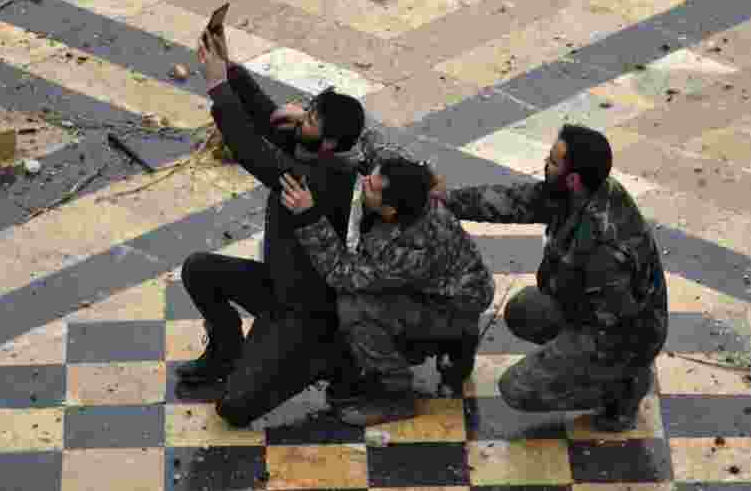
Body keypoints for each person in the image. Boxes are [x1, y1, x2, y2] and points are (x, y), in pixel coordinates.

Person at [177, 27, 368, 427]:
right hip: (277, 286)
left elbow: (249, 147)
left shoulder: (315, 177)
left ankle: (324, 358)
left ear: (330, 143)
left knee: (234, 408)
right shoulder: (315, 150)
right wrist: (230, 70)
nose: (302, 116)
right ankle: (226, 350)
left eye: (312, 117)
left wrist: (216, 85)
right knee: (199, 269)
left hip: (303, 314)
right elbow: (268, 118)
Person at [433, 124, 668, 431]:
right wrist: (448, 199)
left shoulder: (605, 248)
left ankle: (624, 387)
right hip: (589, 307)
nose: (545, 165)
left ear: (572, 179)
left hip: (623, 335)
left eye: (553, 162)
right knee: (524, 311)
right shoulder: (580, 191)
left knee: (518, 390)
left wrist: (601, 357)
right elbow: (513, 201)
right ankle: (608, 370)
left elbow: (616, 324)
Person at [279, 152, 494, 426]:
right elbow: (376, 150)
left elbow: (341, 274)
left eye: (370, 187)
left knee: (355, 309)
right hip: (447, 287)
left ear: (391, 210)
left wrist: (308, 216)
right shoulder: (407, 190)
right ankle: (455, 343)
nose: (365, 181)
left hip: (449, 305)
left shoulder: (408, 249)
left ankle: (396, 395)